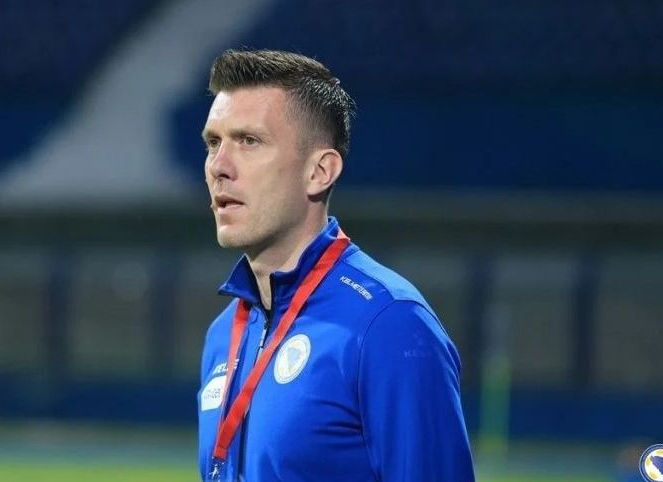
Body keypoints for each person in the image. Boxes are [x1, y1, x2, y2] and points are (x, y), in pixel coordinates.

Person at [197, 49, 475, 482]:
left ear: (320, 171)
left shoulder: (389, 323)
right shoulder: (224, 333)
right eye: (214, 143)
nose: (219, 167)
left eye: (248, 141)